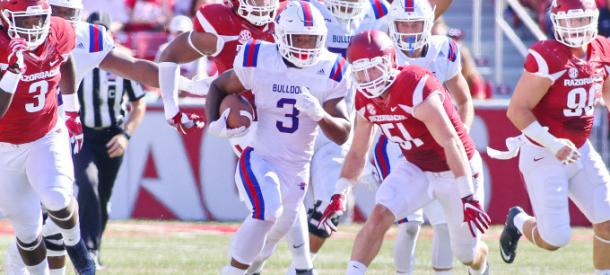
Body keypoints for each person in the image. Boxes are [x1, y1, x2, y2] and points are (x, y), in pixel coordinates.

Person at [318, 30, 490, 275]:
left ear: (390, 61)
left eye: (374, 68)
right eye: (361, 71)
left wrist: (468, 196)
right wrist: (339, 193)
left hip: (454, 167)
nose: (368, 78)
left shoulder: (415, 85)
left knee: (466, 254)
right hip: (417, 167)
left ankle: (481, 261)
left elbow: (451, 142)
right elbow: (358, 152)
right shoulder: (364, 98)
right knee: (378, 215)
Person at [205, 2, 351, 274]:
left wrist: (321, 115)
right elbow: (219, 85)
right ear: (282, 36)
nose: (306, 47)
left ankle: (251, 268)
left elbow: (342, 134)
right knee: (267, 212)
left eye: (312, 40)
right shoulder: (260, 57)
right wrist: (213, 121)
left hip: (297, 169)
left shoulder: (330, 68)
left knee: (274, 234)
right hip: (260, 156)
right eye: (299, 39)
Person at [489, 0, 610, 273]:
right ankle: (518, 220)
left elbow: (605, 89)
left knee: (608, 218)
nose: (576, 27)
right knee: (554, 239)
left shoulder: (602, 48)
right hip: (542, 152)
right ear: (556, 22)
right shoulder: (548, 56)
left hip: (581, 148)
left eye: (581, 19)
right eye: (570, 20)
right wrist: (552, 144)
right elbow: (517, 110)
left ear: (593, 18)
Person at [367, 0, 477, 274]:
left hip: (437, 145)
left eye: (414, 24)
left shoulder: (444, 50)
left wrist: (457, 139)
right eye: (401, 24)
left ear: (429, 23)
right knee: (410, 224)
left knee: (443, 224)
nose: (407, 31)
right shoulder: (381, 52)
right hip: (396, 144)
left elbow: (464, 100)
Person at [0, 0, 95, 274]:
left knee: (56, 197)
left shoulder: (59, 29)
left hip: (45, 133)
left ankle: (77, 246)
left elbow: (65, 60)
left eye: (40, 18)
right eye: (26, 20)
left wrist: (73, 111)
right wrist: (13, 72)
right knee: (28, 232)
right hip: (4, 146)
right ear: (6, 17)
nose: (34, 27)